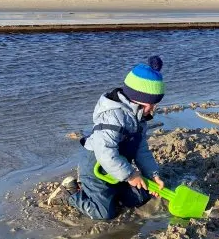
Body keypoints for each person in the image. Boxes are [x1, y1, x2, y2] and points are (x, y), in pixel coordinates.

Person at [62, 56, 167, 220]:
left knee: (141, 196)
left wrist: (153, 174)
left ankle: (114, 192)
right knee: (104, 213)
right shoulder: (113, 116)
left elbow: (141, 150)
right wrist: (131, 176)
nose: (153, 109)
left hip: (118, 166)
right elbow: (106, 154)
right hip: (96, 168)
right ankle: (71, 192)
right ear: (137, 98)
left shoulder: (139, 117)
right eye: (151, 104)